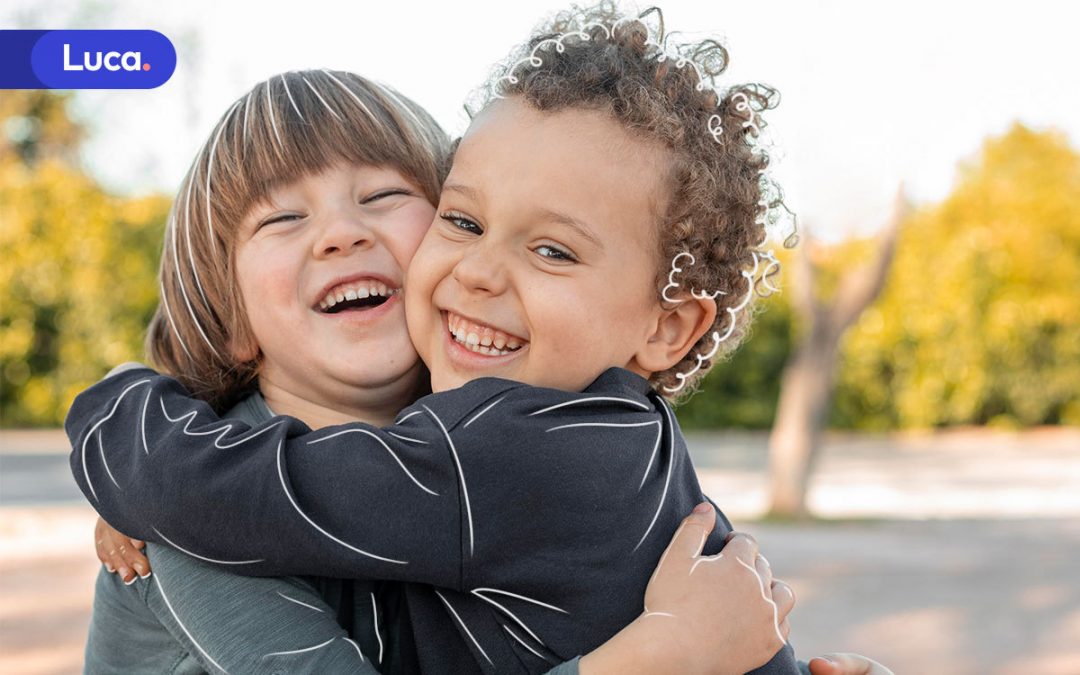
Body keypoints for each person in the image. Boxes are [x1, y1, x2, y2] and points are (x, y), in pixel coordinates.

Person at [69, 5, 891, 675]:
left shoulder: (502, 451)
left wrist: (124, 425)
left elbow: (208, 489)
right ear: (230, 309)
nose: (482, 272)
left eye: (552, 249)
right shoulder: (193, 530)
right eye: (466, 222)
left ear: (666, 327)